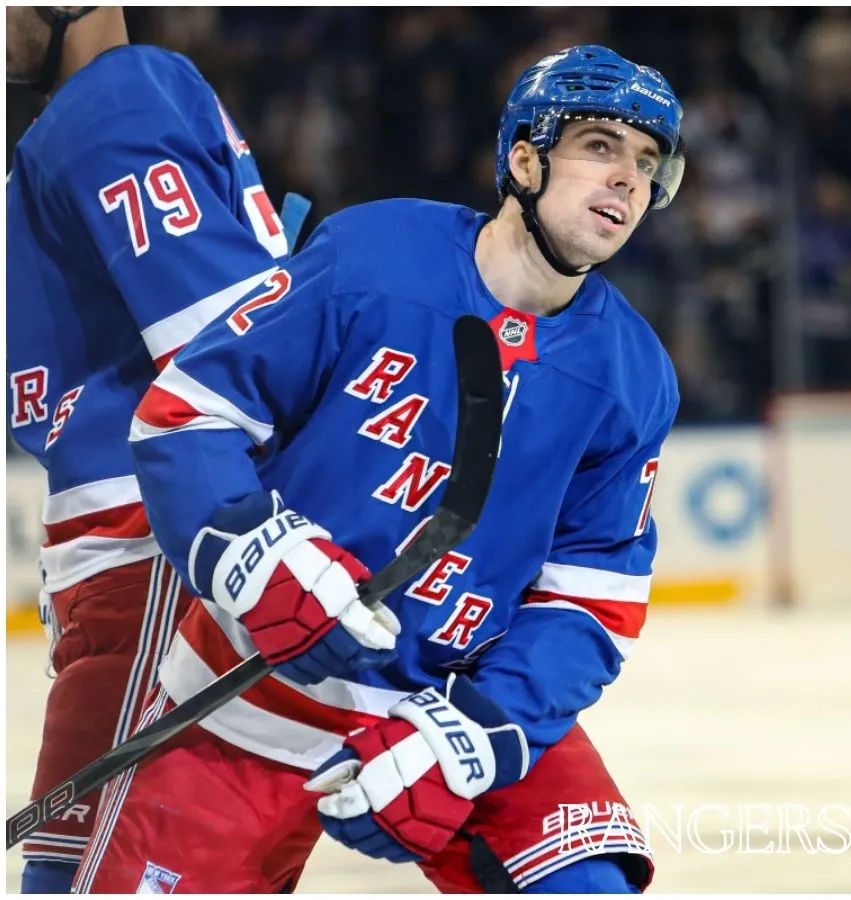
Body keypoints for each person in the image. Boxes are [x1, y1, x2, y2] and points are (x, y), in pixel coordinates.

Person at [73, 45, 685, 894]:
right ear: (524, 159)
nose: (628, 180)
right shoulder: (377, 253)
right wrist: (252, 554)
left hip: (448, 698)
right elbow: (190, 412)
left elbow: (593, 596)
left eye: (648, 162)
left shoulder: (633, 374)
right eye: (601, 147)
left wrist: (482, 732)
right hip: (251, 690)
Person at [6, 7, 290, 893]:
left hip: (153, 541)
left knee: (98, 875)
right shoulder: (96, 111)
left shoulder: (112, 98)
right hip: (134, 544)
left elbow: (224, 346)